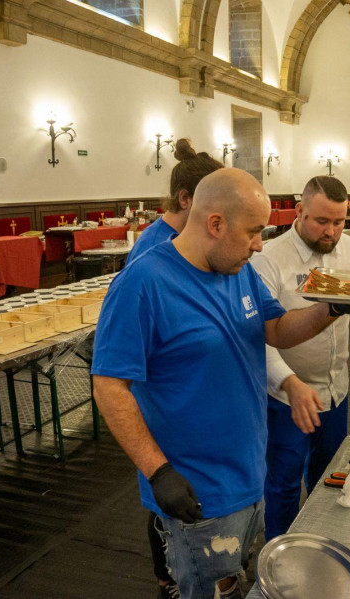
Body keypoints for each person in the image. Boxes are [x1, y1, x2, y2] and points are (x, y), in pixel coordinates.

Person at [91, 168, 350, 599]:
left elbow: (276, 329)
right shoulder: (143, 283)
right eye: (254, 231)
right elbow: (109, 386)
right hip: (199, 494)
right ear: (215, 224)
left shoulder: (237, 270)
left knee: (237, 581)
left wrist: (332, 308)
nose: (259, 244)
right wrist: (158, 471)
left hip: (249, 476)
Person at [251, 176, 350, 541]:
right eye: (321, 221)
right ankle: (278, 554)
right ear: (299, 211)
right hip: (285, 395)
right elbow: (258, 336)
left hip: (335, 389)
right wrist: (287, 382)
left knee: (330, 477)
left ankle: (320, 546)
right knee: (283, 482)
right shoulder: (269, 258)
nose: (331, 232)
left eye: (339, 222)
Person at [124, 139, 223, 597]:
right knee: (168, 503)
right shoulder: (150, 255)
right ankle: (167, 577)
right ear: (188, 200)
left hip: (200, 398)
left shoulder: (196, 241)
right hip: (169, 399)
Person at [127, 138, 223, 264]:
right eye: (215, 202)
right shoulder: (152, 250)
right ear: (184, 198)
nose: (221, 213)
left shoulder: (192, 237)